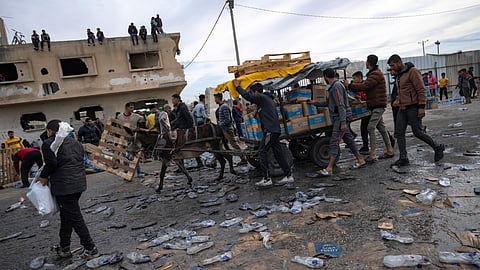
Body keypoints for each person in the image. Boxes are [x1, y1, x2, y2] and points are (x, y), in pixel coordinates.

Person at [38, 120, 98, 259]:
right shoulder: (76, 143)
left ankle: (90, 247)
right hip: (78, 184)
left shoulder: (48, 144)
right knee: (67, 216)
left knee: (75, 217)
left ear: (51, 131)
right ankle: (64, 247)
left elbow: (52, 163)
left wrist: (43, 176)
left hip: (64, 186)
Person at [233, 79, 294, 187]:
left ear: (256, 92)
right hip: (274, 130)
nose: (253, 96)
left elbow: (247, 96)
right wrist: (257, 111)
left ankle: (266, 178)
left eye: (253, 93)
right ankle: (289, 176)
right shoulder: (265, 100)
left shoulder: (261, 97)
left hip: (270, 130)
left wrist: (238, 87)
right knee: (278, 153)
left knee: (262, 151)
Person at [387, 54, 444, 167]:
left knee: (417, 132)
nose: (392, 68)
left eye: (393, 65)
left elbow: (421, 89)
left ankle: (437, 147)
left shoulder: (412, 71)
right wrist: (398, 99)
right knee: (399, 133)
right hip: (402, 108)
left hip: (413, 107)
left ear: (399, 62)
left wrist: (421, 107)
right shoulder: (399, 75)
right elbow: (402, 91)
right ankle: (403, 158)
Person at [310, 68, 365, 176]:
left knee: (334, 142)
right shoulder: (335, 87)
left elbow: (340, 105)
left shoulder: (336, 87)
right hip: (341, 118)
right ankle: (360, 160)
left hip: (340, 119)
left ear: (325, 77)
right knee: (349, 140)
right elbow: (330, 103)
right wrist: (315, 103)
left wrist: (343, 122)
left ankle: (329, 168)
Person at [345, 55, 395, 162]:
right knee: (381, 128)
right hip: (375, 105)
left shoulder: (375, 74)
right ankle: (390, 150)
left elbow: (365, 86)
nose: (365, 63)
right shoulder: (373, 73)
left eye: (366, 61)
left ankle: (372, 153)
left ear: (369, 63)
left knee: (370, 127)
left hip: (378, 105)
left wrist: (349, 85)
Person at [171, 94, 203, 168]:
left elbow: (188, 118)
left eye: (173, 100)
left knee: (183, 146)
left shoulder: (182, 107)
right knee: (183, 147)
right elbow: (178, 119)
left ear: (177, 99)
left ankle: (184, 166)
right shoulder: (178, 108)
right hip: (182, 129)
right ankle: (183, 165)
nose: (172, 101)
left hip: (186, 130)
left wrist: (188, 130)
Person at [214, 93, 247, 165]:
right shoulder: (221, 107)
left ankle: (243, 158)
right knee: (219, 145)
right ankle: (213, 161)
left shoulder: (224, 107)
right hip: (224, 129)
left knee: (234, 144)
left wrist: (220, 125)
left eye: (215, 98)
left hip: (227, 129)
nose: (214, 100)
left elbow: (228, 119)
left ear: (219, 98)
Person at [118, 102, 146, 176]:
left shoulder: (137, 116)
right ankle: (126, 173)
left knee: (135, 156)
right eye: (131, 108)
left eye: (133, 108)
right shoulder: (120, 116)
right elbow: (118, 127)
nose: (132, 109)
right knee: (125, 156)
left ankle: (139, 172)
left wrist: (143, 115)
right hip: (124, 138)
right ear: (126, 108)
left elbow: (143, 122)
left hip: (134, 138)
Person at [351, 71, 369, 154]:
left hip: (368, 109)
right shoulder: (356, 87)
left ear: (360, 78)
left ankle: (366, 147)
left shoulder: (364, 86)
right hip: (365, 110)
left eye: (354, 78)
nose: (353, 80)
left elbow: (365, 97)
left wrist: (361, 99)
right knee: (378, 127)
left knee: (366, 128)